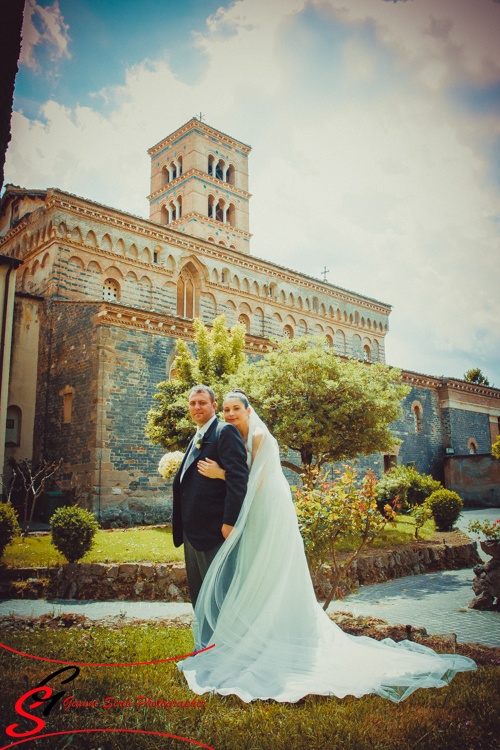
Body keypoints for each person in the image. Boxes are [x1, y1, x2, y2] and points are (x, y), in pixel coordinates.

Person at [177, 390, 476, 703]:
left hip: (266, 514)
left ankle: (264, 636)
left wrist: (220, 473)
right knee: (252, 574)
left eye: (235, 408)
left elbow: (255, 480)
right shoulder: (234, 435)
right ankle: (249, 632)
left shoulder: (261, 436)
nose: (230, 414)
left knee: (264, 572)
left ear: (249, 410)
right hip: (251, 513)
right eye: (226, 410)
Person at [172, 385, 249, 607]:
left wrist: (229, 523)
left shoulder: (224, 432)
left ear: (214, 406)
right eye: (193, 403)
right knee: (200, 597)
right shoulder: (197, 435)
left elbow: (238, 478)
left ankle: (222, 642)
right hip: (192, 532)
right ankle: (206, 642)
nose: (197, 407)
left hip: (215, 531)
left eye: (202, 403)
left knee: (218, 597)